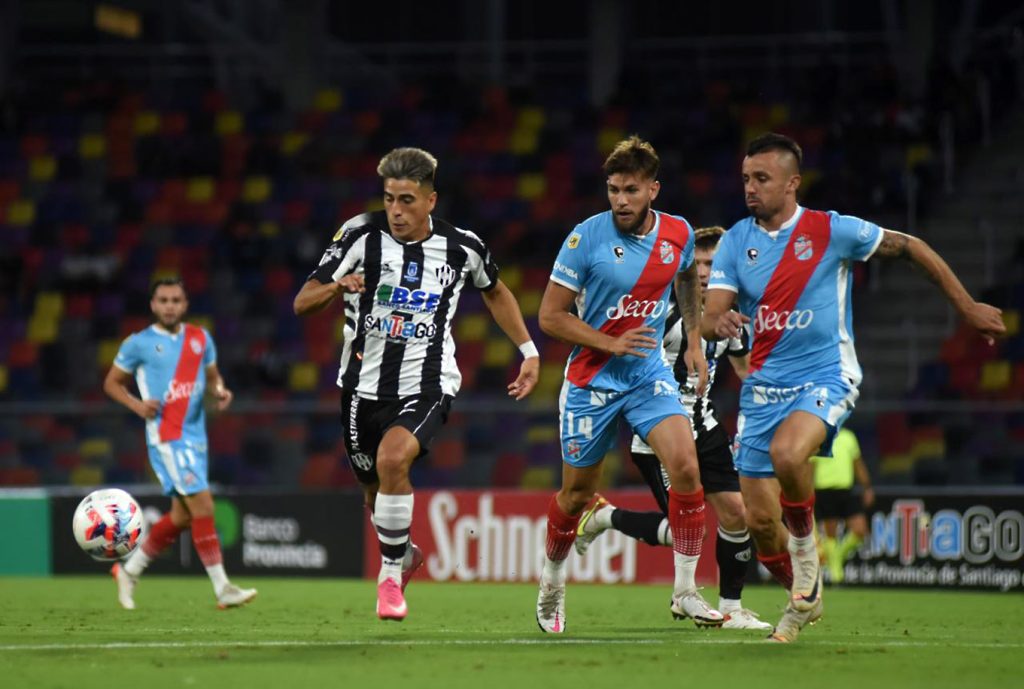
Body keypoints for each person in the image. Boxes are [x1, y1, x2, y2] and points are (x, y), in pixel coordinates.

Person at [701, 132, 1006, 642]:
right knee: (759, 524)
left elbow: (911, 247)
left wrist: (967, 306)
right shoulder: (735, 241)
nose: (750, 188)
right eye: (746, 178)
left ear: (792, 183)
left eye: (762, 178)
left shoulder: (831, 230)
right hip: (762, 388)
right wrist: (721, 322)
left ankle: (806, 556)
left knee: (788, 455)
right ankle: (804, 595)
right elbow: (711, 316)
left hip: (825, 376)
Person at [294, 147, 539, 622]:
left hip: (427, 384)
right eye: (389, 198)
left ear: (431, 200)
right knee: (374, 491)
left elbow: (495, 290)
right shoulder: (358, 235)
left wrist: (528, 351)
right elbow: (303, 302)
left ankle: (389, 578)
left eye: (406, 200)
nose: (396, 210)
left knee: (393, 459)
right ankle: (404, 554)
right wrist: (338, 286)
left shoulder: (462, 247)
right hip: (361, 388)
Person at [535, 135, 717, 634]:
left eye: (631, 190)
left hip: (646, 374)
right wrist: (609, 342)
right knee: (577, 495)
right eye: (613, 189)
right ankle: (552, 578)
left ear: (653, 190)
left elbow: (686, 279)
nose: (620, 199)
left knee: (686, 467)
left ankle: (685, 591)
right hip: (591, 379)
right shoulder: (585, 239)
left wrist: (694, 340)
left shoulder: (678, 233)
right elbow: (550, 316)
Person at [574, 226, 770, 631]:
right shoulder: (662, 313)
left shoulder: (732, 318)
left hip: (706, 425)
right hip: (660, 430)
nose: (705, 272)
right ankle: (606, 518)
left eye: (713, 264)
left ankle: (732, 608)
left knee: (737, 513)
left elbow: (746, 371)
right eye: (698, 263)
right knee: (686, 531)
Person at [103, 277, 257, 610]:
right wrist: (137, 406)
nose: (169, 306)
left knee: (182, 517)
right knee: (203, 506)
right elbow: (112, 383)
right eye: (163, 300)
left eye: (175, 300)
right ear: (153, 305)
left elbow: (213, 377)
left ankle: (129, 571)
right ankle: (223, 588)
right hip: (167, 437)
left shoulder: (200, 338)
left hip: (196, 436)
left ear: (185, 305)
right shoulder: (138, 344)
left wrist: (220, 391)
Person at [811, 427, 873, 584]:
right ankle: (836, 575)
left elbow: (857, 463)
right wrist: (808, 491)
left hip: (846, 489)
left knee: (860, 530)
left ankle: (836, 556)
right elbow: (811, 467)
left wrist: (867, 487)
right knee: (830, 533)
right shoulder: (819, 436)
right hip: (824, 489)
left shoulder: (849, 437)